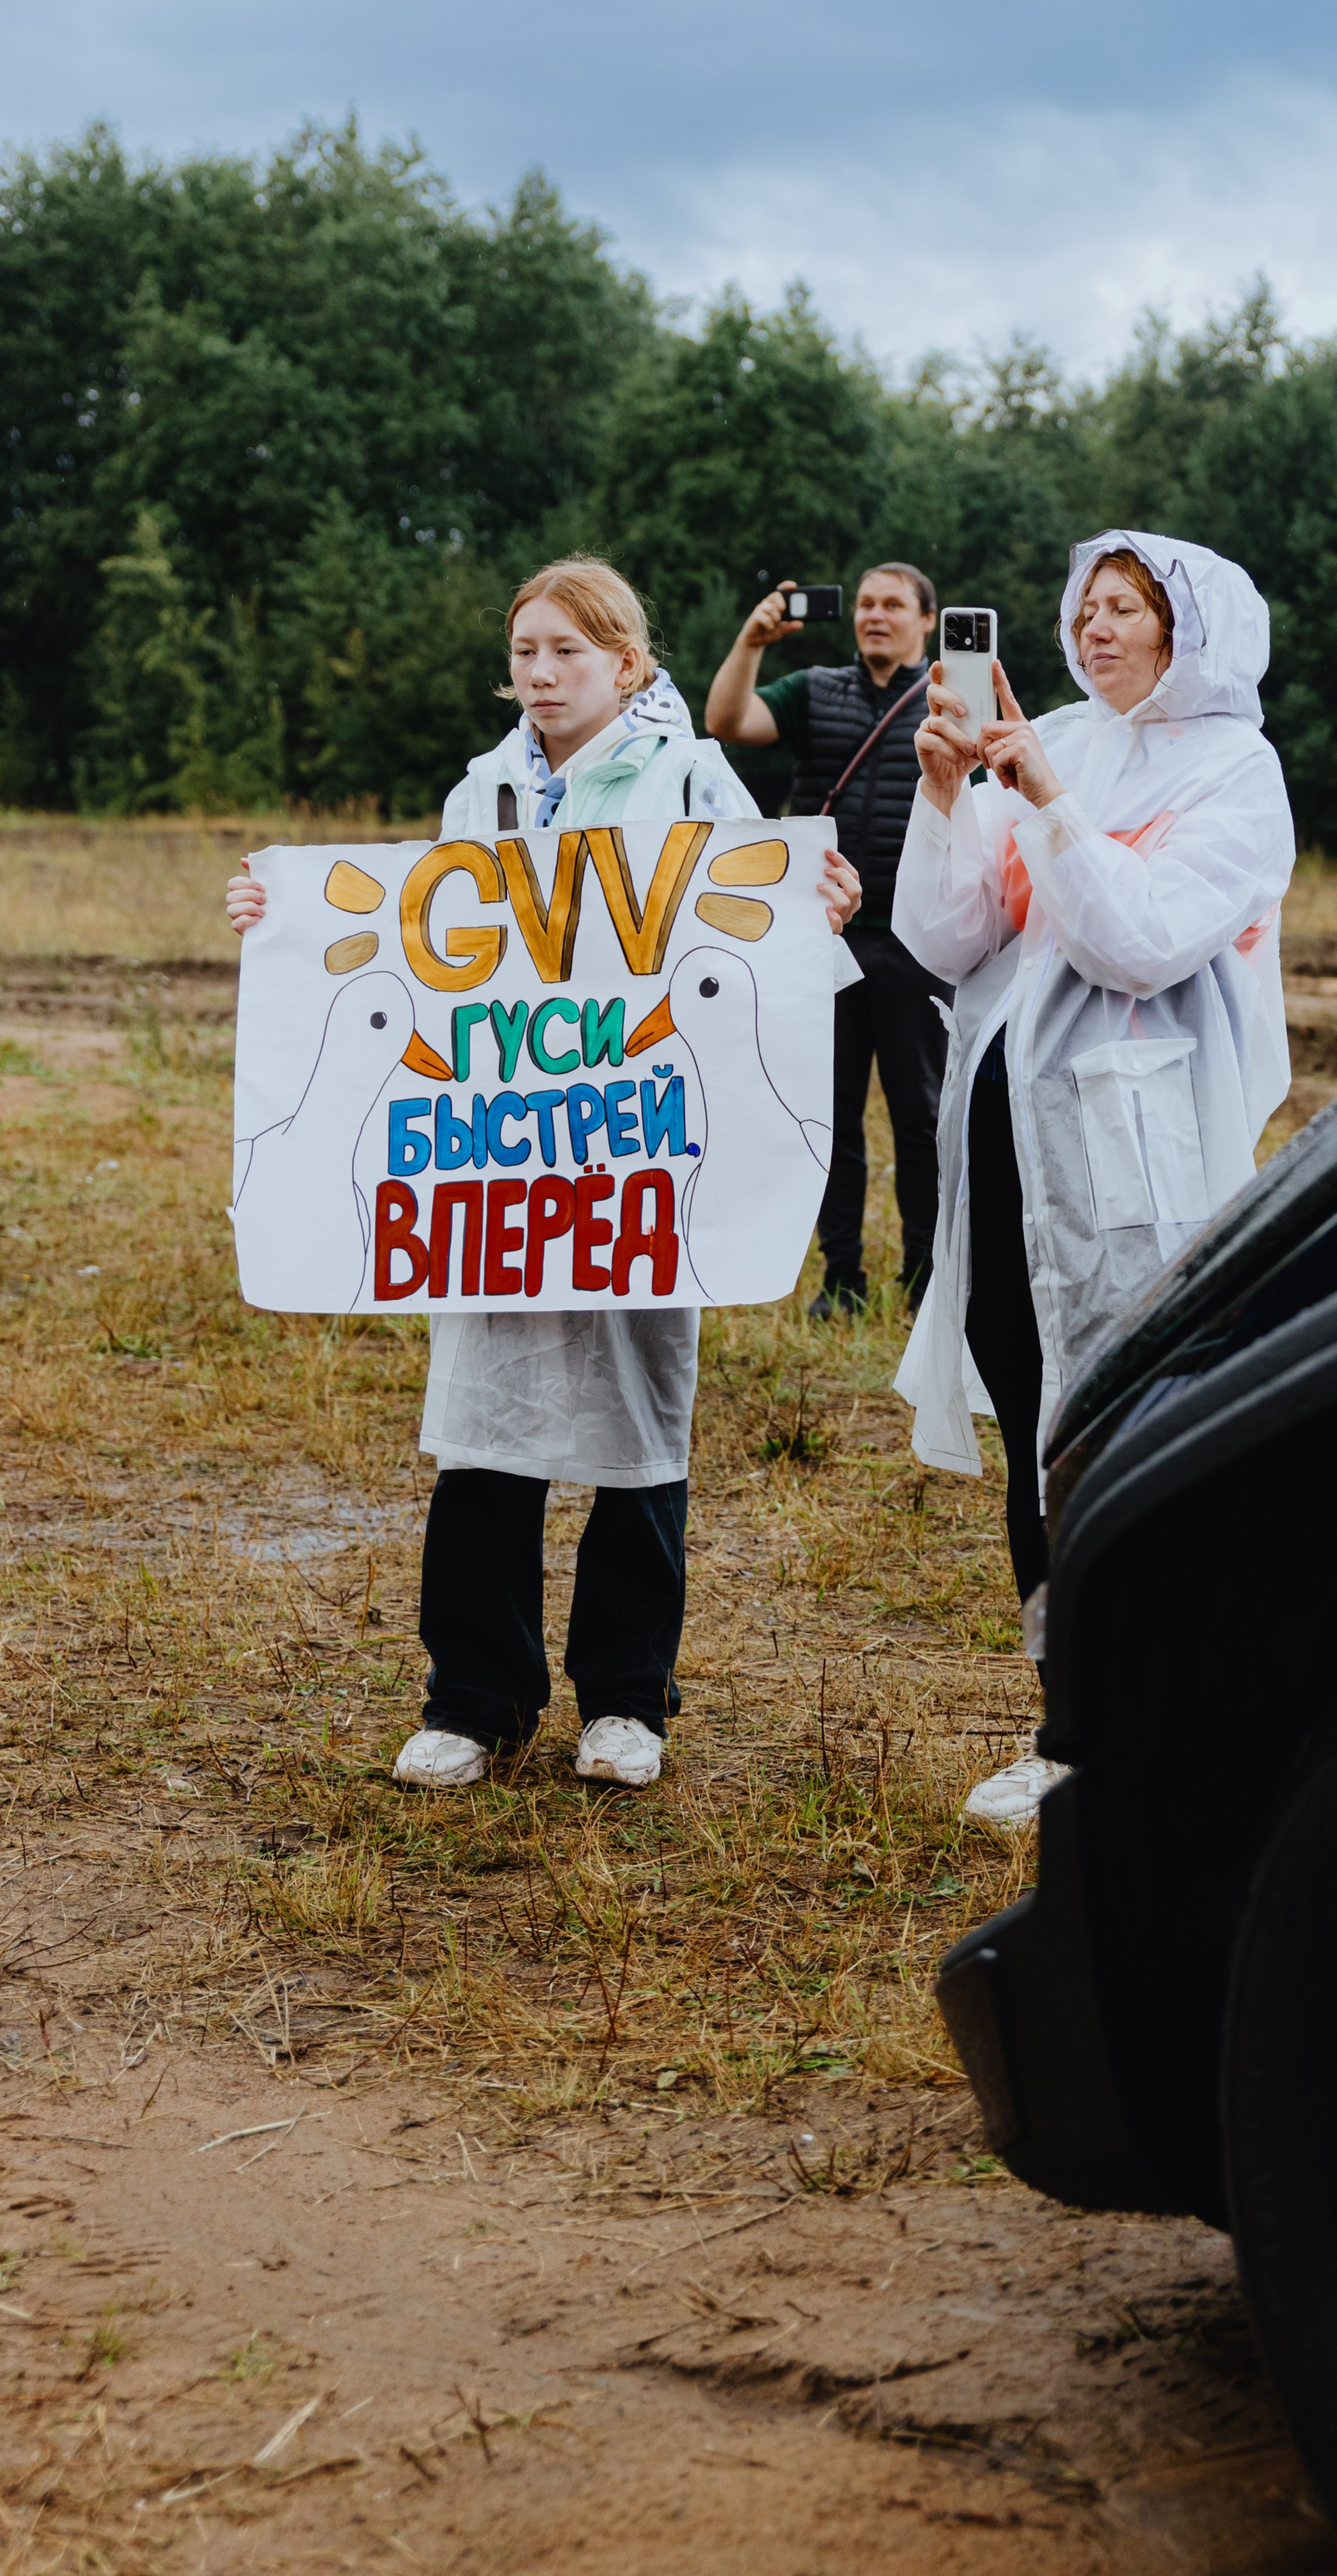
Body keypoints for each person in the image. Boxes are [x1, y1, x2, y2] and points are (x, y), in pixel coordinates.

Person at [226, 555, 862, 1795]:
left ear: (627, 664)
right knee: (488, 1430)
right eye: (525, 651)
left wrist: (815, 909)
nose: (541, 673)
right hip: (502, 1168)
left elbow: (752, 934)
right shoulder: (482, 793)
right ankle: (475, 1700)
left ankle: (626, 1700)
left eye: (567, 650)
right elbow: (415, 955)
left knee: (640, 1428)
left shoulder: (691, 777)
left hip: (632, 1155)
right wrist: (285, 921)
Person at [894, 534, 1294, 1819]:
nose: (1097, 627)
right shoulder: (1055, 734)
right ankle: (1070, 1721)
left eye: (1127, 607)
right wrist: (949, 796)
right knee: (1032, 1399)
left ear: (1190, 630)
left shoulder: (1236, 770)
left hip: (1139, 1146)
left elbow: (1142, 940)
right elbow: (950, 937)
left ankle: (1172, 1717)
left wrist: (1052, 801)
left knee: (1132, 1414)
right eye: (1088, 607)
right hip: (1009, 1126)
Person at [705, 563, 947, 1315]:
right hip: (824, 937)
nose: (875, 615)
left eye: (894, 605)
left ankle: (927, 1277)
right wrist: (751, 642)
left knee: (922, 1118)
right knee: (831, 1116)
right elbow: (727, 722)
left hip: (918, 941)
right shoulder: (814, 690)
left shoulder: (950, 697)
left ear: (926, 620)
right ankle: (841, 1280)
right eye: (866, 603)